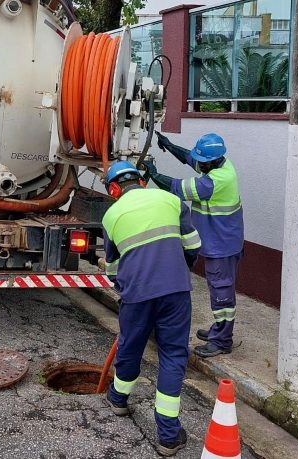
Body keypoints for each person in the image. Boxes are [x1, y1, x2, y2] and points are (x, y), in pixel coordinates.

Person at [101, 160, 202, 457]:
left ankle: (118, 399)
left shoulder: (111, 216)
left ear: (115, 188)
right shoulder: (171, 200)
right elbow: (193, 245)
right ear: (142, 182)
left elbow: (113, 268)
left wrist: (125, 288)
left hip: (137, 295)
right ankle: (169, 436)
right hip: (175, 292)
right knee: (172, 355)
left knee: (131, 347)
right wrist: (179, 268)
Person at [142, 132, 244, 359]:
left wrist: (154, 174)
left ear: (213, 161)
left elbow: (178, 188)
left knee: (222, 294)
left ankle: (222, 340)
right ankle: (219, 330)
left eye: (202, 161)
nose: (198, 163)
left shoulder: (216, 181)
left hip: (223, 246)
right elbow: (190, 158)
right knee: (220, 291)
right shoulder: (218, 164)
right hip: (222, 239)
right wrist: (169, 146)